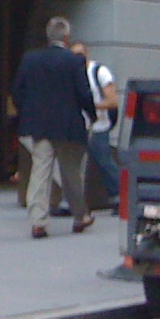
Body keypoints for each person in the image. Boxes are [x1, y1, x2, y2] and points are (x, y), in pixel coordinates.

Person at [11, 16, 96, 239]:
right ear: (66, 37)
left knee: (40, 172)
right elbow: (84, 93)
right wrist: (92, 116)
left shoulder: (30, 59)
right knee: (71, 174)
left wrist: (27, 113)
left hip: (39, 126)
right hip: (68, 126)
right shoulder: (74, 61)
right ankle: (81, 216)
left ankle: (38, 221)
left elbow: (17, 91)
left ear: (48, 36)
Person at [70, 41, 120, 210]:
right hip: (79, 125)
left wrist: (92, 106)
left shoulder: (99, 72)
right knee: (73, 164)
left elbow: (112, 101)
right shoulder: (72, 74)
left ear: (87, 54)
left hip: (98, 125)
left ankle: (119, 194)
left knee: (104, 162)